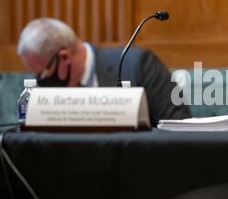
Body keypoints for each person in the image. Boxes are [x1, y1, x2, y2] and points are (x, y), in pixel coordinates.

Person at [17, 17, 191, 126]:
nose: (41, 82)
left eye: (44, 74)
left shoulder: (139, 65)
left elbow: (181, 128)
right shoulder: (42, 92)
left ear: (64, 58)